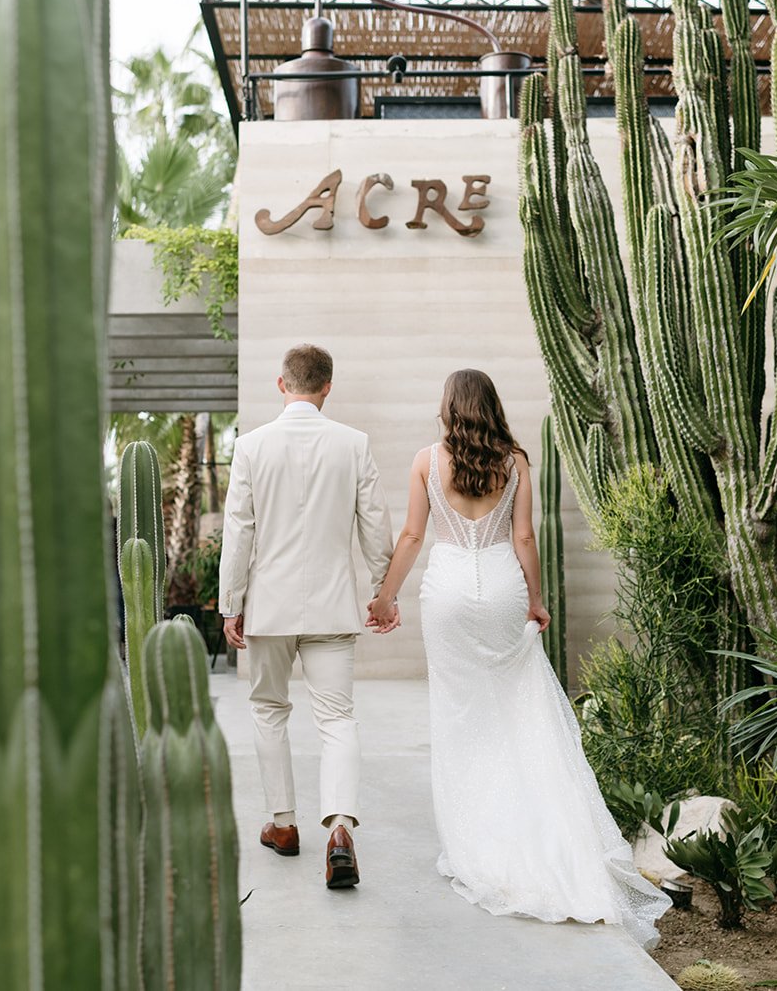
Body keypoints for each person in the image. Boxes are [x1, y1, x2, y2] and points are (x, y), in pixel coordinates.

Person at [367, 369, 671, 945]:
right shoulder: (515, 461)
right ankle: (544, 833)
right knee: (517, 709)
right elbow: (525, 537)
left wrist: (385, 598)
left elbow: (411, 537)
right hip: (503, 589)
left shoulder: (426, 461)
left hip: (449, 592)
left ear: (448, 408)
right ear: (492, 407)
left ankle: (476, 838)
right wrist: (535, 601)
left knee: (460, 716)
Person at [218, 343, 397, 889]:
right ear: (327, 388)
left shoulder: (250, 447)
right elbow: (375, 524)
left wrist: (232, 603)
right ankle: (340, 828)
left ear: (281, 385)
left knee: (270, 710)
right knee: (337, 718)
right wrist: (381, 590)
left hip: (267, 609)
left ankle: (285, 825)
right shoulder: (353, 444)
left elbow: (239, 531)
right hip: (331, 606)